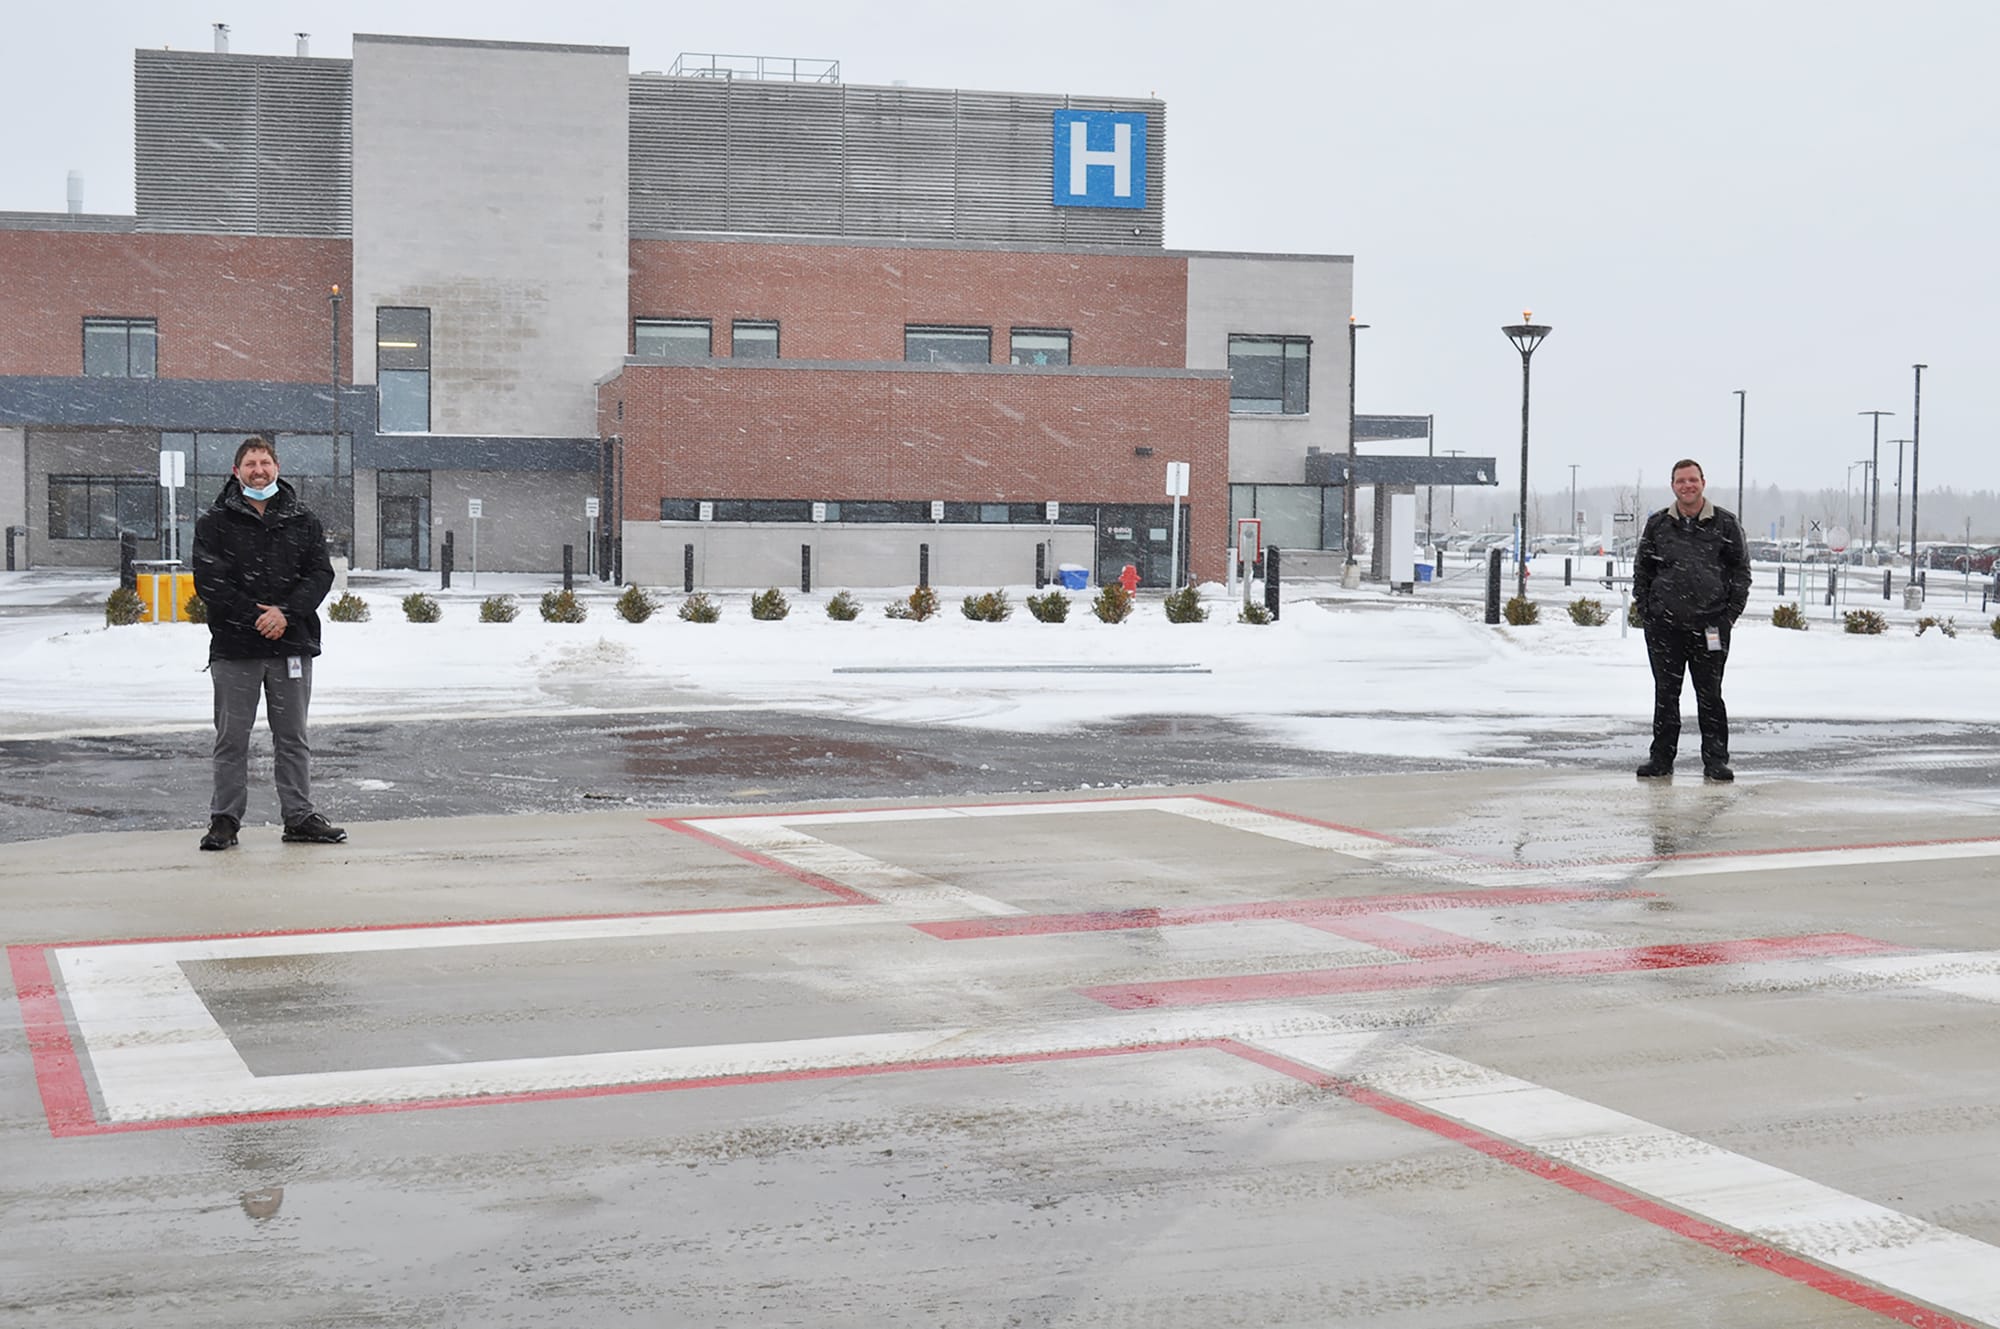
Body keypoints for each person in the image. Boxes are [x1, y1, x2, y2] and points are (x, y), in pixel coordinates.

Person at [191, 437, 346, 849]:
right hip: (235, 648)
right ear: (236, 471)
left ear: (276, 468)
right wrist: (257, 616)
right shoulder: (215, 522)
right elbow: (211, 582)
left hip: (290, 646)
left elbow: (319, 575)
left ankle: (299, 817)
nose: (258, 470)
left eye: (264, 462)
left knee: (293, 737)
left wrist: (286, 614)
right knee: (231, 739)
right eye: (250, 463)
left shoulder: (303, 519)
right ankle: (224, 820)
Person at [1632, 458, 1751, 782]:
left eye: (1693, 480)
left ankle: (1715, 761)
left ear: (1703, 482)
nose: (1688, 485)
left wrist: (1728, 616)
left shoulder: (1725, 524)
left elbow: (1740, 572)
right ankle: (1661, 759)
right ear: (1673, 486)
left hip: (1710, 627)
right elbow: (1642, 571)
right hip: (1665, 628)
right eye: (1681, 480)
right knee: (1666, 695)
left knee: (1710, 695)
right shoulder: (1658, 524)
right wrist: (1648, 610)